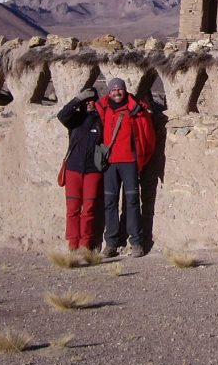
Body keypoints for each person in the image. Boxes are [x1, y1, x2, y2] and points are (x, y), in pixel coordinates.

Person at [97, 78, 156, 257]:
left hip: (129, 162)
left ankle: (136, 242)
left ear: (125, 90)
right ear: (109, 92)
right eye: (113, 90)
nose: (117, 93)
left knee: (132, 202)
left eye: (119, 89)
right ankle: (111, 243)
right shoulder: (103, 108)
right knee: (109, 202)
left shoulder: (135, 110)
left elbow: (148, 136)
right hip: (110, 164)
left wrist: (143, 158)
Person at [55, 87, 105, 251]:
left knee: (89, 209)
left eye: (92, 100)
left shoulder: (100, 120)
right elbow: (62, 116)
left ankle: (85, 244)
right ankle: (73, 244)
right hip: (73, 168)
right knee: (73, 208)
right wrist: (78, 99)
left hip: (93, 170)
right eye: (86, 100)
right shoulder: (75, 119)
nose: (89, 103)